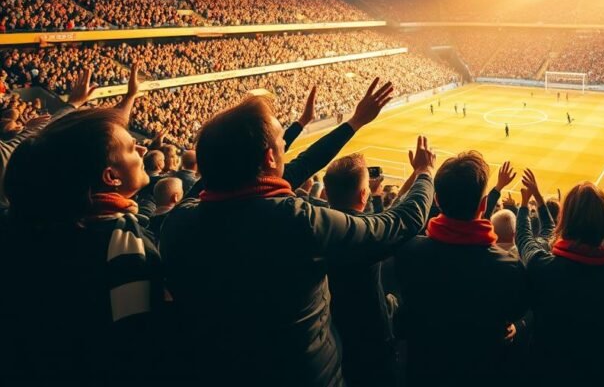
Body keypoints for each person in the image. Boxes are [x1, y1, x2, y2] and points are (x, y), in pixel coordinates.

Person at [159, 78, 436, 386]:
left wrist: (350, 123)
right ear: (268, 158)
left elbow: (262, 173)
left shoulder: (178, 224)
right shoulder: (298, 223)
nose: (285, 149)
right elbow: (398, 225)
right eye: (281, 144)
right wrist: (424, 173)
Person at [0, 99, 168, 384]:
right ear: (111, 177)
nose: (142, 149)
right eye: (130, 148)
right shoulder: (121, 240)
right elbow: (138, 345)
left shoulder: (21, 224)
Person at [394, 152, 528, 387]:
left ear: (436, 200)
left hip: (424, 373)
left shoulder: (409, 252)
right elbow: (516, 313)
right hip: (483, 373)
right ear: (484, 205)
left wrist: (421, 172)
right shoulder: (508, 267)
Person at [516, 167, 604, 386]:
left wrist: (527, 204)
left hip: (548, 376)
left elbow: (524, 238)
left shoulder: (542, 268)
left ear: (565, 222)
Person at [322, 152, 403, 387]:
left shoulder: (316, 228)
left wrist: (375, 197)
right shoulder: (366, 243)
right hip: (372, 342)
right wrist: (423, 174)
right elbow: (388, 225)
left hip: (333, 337)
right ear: (363, 194)